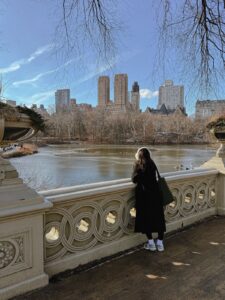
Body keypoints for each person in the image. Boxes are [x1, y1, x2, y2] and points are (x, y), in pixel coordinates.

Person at [131, 147, 166, 252]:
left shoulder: (138, 164)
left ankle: (151, 243)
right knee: (159, 218)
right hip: (156, 195)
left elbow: (133, 179)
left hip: (144, 196)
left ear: (138, 155)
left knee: (146, 219)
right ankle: (160, 243)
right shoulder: (152, 163)